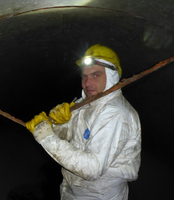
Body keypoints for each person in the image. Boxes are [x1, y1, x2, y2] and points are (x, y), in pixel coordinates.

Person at [26, 44, 141, 200]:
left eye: (96, 75)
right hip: (73, 191)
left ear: (112, 76)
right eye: (84, 76)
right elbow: (72, 137)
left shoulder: (116, 114)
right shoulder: (87, 102)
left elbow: (92, 169)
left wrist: (47, 138)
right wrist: (57, 126)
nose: (87, 83)